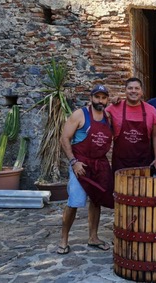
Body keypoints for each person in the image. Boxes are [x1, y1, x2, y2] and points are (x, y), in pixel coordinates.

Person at [58, 84, 114, 255]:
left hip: (99, 164)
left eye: (103, 98)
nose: (100, 101)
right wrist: (74, 162)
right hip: (80, 164)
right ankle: (64, 239)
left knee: (96, 201)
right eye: (97, 97)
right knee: (75, 201)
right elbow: (64, 138)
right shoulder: (80, 114)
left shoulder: (108, 117)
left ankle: (93, 237)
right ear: (91, 98)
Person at [106, 77, 156, 172]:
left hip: (144, 164)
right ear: (125, 91)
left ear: (142, 91)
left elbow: (155, 135)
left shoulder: (151, 110)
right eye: (130, 88)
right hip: (120, 164)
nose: (133, 91)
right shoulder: (113, 108)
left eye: (137, 88)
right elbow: (98, 118)